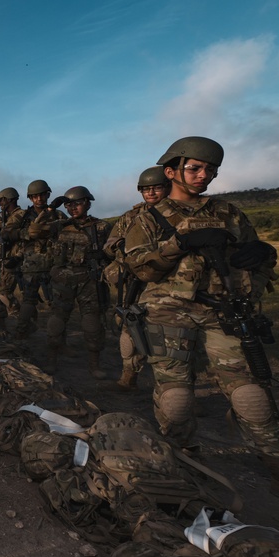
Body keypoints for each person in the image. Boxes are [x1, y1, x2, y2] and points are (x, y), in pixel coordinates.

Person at [123, 136, 279, 501]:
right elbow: (140, 268)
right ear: (171, 171)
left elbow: (262, 261)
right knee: (176, 400)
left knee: (251, 397)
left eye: (211, 169)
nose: (205, 175)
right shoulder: (146, 217)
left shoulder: (229, 212)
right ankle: (183, 463)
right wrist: (179, 243)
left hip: (223, 312)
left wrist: (260, 257)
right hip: (168, 312)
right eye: (195, 168)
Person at [103, 167, 170, 390]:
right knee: (130, 331)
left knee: (175, 336)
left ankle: (178, 388)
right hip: (137, 281)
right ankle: (128, 376)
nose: (151, 193)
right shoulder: (130, 217)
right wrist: (123, 248)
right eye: (146, 189)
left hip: (171, 283)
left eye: (156, 188)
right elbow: (110, 245)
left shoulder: (179, 213)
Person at [40, 186, 112, 378]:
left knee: (92, 322)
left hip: (89, 280)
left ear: (88, 203)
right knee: (57, 321)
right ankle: (51, 360)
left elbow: (113, 252)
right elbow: (34, 230)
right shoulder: (59, 225)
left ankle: (94, 365)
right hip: (63, 280)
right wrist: (48, 210)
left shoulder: (102, 227)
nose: (72, 208)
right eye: (68, 204)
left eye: (77, 203)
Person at [6, 180, 66, 339]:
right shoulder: (22, 215)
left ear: (48, 194)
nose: (39, 199)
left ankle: (58, 341)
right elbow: (6, 234)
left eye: (42, 195)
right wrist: (27, 233)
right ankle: (20, 334)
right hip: (31, 265)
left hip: (55, 265)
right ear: (30, 198)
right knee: (28, 302)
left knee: (57, 306)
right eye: (35, 196)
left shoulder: (58, 214)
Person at [0, 187, 23, 324]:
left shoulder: (21, 215)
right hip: (0, 258)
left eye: (1, 200)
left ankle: (23, 319)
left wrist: (18, 256)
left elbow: (24, 238)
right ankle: (0, 324)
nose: (0, 203)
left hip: (13, 258)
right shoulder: (2, 217)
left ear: (9, 199)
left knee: (4, 293)